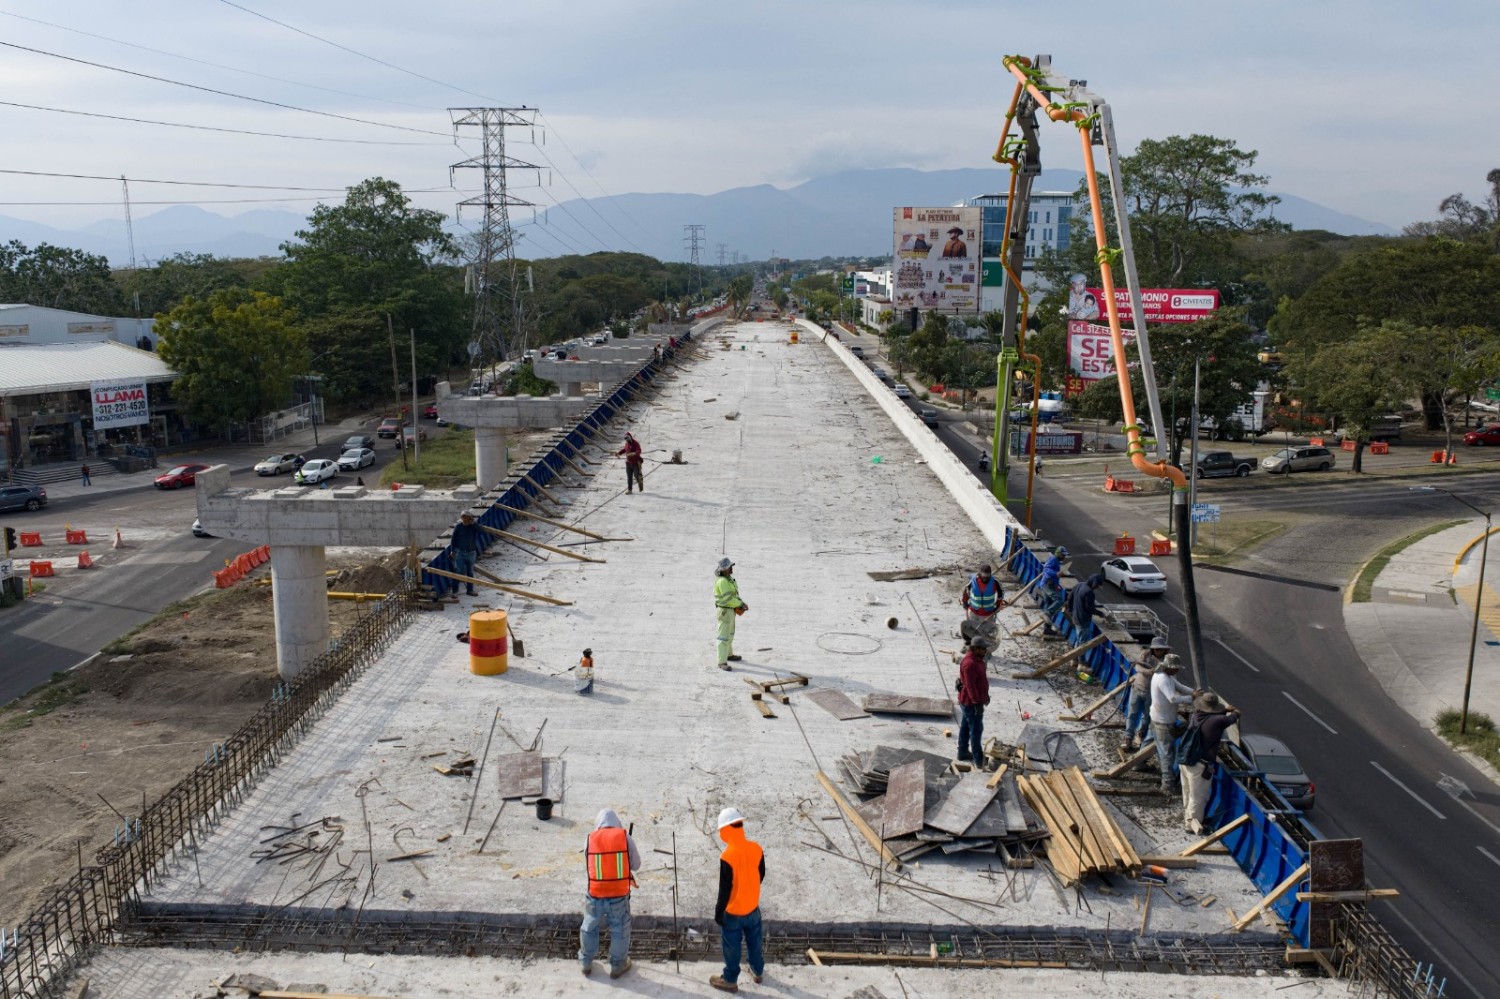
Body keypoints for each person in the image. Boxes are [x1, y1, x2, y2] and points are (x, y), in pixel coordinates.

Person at [578, 807, 640, 979]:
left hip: (595, 893)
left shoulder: (590, 839)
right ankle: (617, 966)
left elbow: (588, 863)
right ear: (616, 822)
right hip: (618, 895)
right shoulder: (625, 837)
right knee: (620, 928)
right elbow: (636, 865)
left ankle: (586, 962)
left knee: (589, 926)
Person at [710, 808, 765, 993]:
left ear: (726, 830)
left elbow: (724, 890)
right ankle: (757, 971)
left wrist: (719, 912)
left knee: (732, 947)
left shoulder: (727, 855)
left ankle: (730, 979)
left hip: (733, 913)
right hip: (753, 909)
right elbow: (761, 874)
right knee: (754, 942)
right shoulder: (756, 848)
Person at [1179, 692, 1240, 834]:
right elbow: (1233, 717)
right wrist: (1233, 711)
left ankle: (1189, 817)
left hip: (1186, 759)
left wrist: (1224, 710)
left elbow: (1215, 716)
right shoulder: (1216, 721)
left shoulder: (1196, 716)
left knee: (1188, 791)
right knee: (1198, 795)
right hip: (1199, 764)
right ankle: (1191, 824)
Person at [1149, 654, 1196, 794]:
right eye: (1175, 668)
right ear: (1169, 667)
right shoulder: (1163, 679)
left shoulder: (1167, 676)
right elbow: (1173, 698)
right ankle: (1167, 786)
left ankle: (1140, 764)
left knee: (1161, 748)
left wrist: (1195, 693)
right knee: (1167, 754)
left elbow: (1180, 687)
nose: (1177, 671)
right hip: (1163, 722)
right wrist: (1191, 699)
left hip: (1160, 717)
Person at [1125, 638, 1171, 751]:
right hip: (1138, 688)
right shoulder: (1145, 654)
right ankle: (1128, 738)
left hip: (1152, 693)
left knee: (1146, 717)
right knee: (1132, 714)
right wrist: (1148, 671)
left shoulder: (1166, 659)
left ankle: (1140, 736)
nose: (1159, 652)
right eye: (1157, 649)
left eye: (1161, 650)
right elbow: (1137, 666)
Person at [956, 636, 991, 765]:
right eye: (983, 649)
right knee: (976, 730)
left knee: (965, 727)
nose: (985, 651)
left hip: (971, 701)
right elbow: (970, 686)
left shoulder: (978, 660)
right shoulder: (970, 663)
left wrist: (985, 695)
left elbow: (981, 681)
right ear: (976, 649)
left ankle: (963, 752)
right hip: (970, 703)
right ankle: (978, 759)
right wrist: (977, 703)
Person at [714, 557, 746, 670]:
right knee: (723, 637)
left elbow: (734, 595)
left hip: (730, 611)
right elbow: (728, 599)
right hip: (724, 611)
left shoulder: (729, 579)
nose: (732, 568)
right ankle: (722, 662)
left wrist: (740, 602)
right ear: (724, 569)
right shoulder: (722, 581)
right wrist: (740, 604)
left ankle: (729, 654)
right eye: (730, 567)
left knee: (730, 634)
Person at [960, 563, 1004, 644]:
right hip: (974, 611)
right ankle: (972, 648)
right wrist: (965, 602)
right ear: (980, 573)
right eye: (984, 574)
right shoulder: (973, 581)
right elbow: (966, 591)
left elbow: (1001, 593)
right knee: (973, 632)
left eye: (988, 575)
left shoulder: (995, 582)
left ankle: (985, 651)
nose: (985, 577)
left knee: (986, 634)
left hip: (988, 613)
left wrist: (999, 603)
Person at [1038, 546, 1068, 638]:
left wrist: (1057, 585)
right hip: (1047, 584)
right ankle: (1046, 614)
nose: (1064, 557)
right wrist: (1056, 573)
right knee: (1059, 600)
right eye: (1063, 555)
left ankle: (1047, 629)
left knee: (1049, 604)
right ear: (1059, 553)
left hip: (1049, 584)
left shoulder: (1057, 562)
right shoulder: (1053, 559)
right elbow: (1046, 569)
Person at [450, 513, 482, 596]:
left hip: (471, 553)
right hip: (460, 552)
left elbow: (481, 532)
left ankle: (470, 590)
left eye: (467, 519)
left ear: (469, 519)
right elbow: (453, 539)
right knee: (457, 571)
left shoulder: (473, 527)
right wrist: (452, 550)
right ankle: (455, 591)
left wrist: (474, 523)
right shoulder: (459, 527)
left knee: (470, 572)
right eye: (463, 519)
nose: (465, 521)